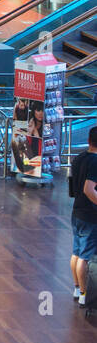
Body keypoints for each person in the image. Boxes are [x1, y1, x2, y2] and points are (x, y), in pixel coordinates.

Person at [70, 126, 97, 307]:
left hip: (77, 211)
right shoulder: (96, 162)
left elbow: (73, 187)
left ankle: (76, 287)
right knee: (85, 257)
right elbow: (89, 189)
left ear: (89, 140)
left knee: (76, 252)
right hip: (90, 215)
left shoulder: (79, 158)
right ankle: (83, 293)